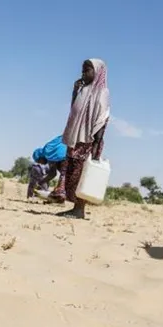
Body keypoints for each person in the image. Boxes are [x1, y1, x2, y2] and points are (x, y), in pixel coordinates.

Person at [58, 58, 110, 218]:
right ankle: (75, 208)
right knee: (72, 171)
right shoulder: (84, 90)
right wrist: (75, 92)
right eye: (83, 70)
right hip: (76, 138)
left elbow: (103, 118)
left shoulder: (102, 92)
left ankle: (79, 209)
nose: (83, 73)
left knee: (83, 174)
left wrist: (96, 145)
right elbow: (74, 111)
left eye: (87, 70)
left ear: (98, 72)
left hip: (89, 141)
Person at [27, 135, 67, 199]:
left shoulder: (48, 153)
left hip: (65, 156)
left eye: (39, 161)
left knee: (64, 177)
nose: (41, 163)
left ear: (41, 157)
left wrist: (40, 183)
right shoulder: (50, 151)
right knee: (66, 177)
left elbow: (52, 174)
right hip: (69, 153)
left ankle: (59, 198)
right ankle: (60, 197)